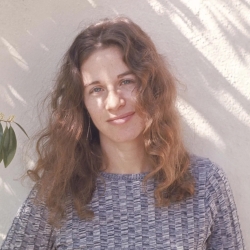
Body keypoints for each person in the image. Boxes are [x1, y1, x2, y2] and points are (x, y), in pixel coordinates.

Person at [1, 17, 245, 249]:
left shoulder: (205, 183)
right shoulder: (58, 191)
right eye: (96, 89)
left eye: (126, 82)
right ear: (82, 104)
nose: (114, 102)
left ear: (151, 86)